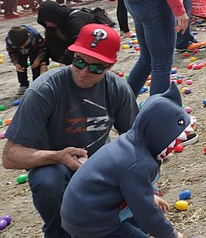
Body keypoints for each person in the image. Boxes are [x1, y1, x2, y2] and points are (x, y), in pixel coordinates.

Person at [2, 24, 138, 238]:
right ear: (72, 54)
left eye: (96, 67)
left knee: (139, 222)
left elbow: (136, 142)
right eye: (80, 61)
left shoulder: (118, 88)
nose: (84, 72)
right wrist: (57, 156)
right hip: (56, 167)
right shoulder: (44, 90)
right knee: (49, 181)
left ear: (110, 66)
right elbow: (10, 156)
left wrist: (140, 185)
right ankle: (60, 231)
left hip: (101, 169)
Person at [61, 84, 190, 238]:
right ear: (159, 131)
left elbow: (124, 184)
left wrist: (150, 196)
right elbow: (145, 212)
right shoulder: (140, 163)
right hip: (93, 222)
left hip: (79, 212)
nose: (176, 145)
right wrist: (171, 234)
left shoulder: (130, 144)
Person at [6, 25, 47, 94]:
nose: (22, 47)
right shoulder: (10, 42)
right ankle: (23, 84)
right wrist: (16, 63)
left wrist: (38, 59)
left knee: (35, 65)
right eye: (19, 46)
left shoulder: (35, 37)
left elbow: (42, 49)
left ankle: (36, 82)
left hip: (34, 50)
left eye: (23, 44)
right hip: (19, 53)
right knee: (21, 66)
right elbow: (12, 52)